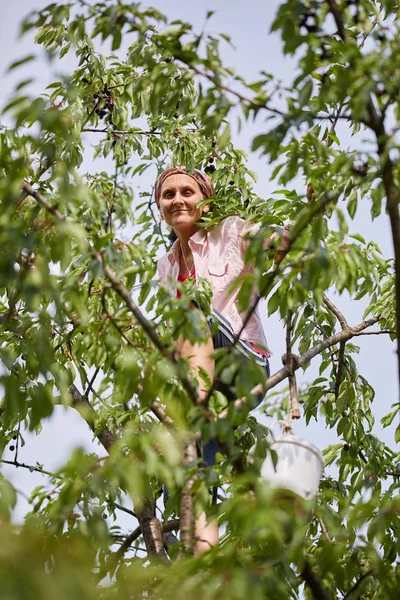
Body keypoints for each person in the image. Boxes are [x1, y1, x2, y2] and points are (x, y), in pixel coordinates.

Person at [155, 166, 276, 554]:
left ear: (204, 200)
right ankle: (203, 564)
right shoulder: (166, 266)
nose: (177, 200)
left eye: (186, 192)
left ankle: (191, 416)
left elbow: (271, 241)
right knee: (194, 475)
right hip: (202, 377)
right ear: (159, 206)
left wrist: (286, 237)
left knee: (193, 314)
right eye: (168, 194)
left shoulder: (230, 231)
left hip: (244, 360)